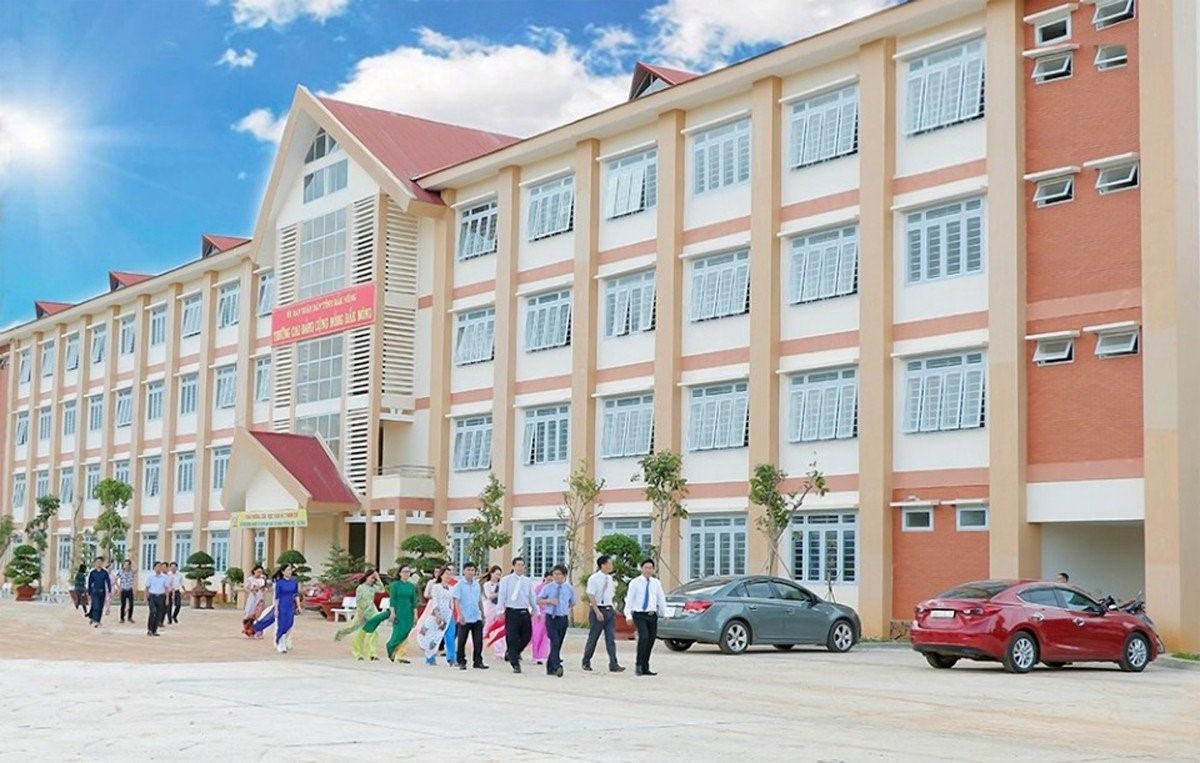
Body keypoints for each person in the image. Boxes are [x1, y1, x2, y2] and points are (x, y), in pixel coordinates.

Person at [363, 564, 419, 663]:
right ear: (400, 573)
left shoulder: (411, 586)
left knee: (405, 633)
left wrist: (415, 614)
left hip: (408, 612)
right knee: (398, 633)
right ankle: (392, 649)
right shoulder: (395, 585)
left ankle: (400, 654)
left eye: (408, 572)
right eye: (404, 571)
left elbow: (414, 601)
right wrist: (392, 612)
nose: (406, 573)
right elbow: (392, 599)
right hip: (398, 611)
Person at [624, 559, 667, 676]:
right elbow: (629, 600)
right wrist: (628, 615)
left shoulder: (656, 583)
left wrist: (665, 613)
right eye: (646, 568)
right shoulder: (635, 582)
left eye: (650, 568)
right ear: (642, 569)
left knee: (651, 640)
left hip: (652, 615)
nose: (648, 570)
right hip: (639, 614)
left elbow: (661, 599)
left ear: (653, 570)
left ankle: (645, 666)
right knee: (644, 637)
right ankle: (638, 664)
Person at [582, 555, 625, 673]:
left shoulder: (610, 579)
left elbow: (610, 595)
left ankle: (613, 663)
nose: (612, 566)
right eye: (610, 563)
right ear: (603, 565)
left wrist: (613, 608)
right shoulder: (594, 578)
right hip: (598, 609)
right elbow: (591, 595)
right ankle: (586, 661)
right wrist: (597, 611)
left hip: (609, 610)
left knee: (610, 638)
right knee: (593, 638)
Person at [496, 557, 538, 673]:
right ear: (513, 566)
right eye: (518, 565)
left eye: (522, 565)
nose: (520, 567)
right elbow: (502, 595)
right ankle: (515, 664)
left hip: (524, 611)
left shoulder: (528, 581)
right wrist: (499, 611)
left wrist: (535, 610)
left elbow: (532, 597)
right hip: (512, 611)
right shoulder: (506, 580)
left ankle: (512, 653)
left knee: (527, 636)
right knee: (512, 637)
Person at [334, 569, 385, 660]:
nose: (373, 580)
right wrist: (361, 613)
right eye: (372, 577)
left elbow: (382, 590)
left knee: (374, 631)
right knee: (360, 632)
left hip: (372, 610)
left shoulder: (373, 587)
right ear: (366, 577)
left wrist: (378, 578)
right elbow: (358, 601)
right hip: (362, 610)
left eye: (374, 578)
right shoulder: (360, 588)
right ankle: (358, 653)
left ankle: (372, 654)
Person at [253, 563, 302, 653]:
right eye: (288, 570)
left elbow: (296, 595)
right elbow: (277, 597)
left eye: (290, 570)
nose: (290, 572)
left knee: (289, 624)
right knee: (281, 625)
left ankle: (284, 641)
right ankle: (280, 644)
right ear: (283, 572)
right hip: (281, 606)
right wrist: (276, 609)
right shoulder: (279, 583)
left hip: (290, 606)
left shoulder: (294, 582)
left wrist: (298, 606)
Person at [538, 564, 576, 678]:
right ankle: (557, 666)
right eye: (554, 574)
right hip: (551, 617)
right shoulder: (548, 587)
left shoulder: (569, 588)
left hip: (562, 618)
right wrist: (549, 601)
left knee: (558, 643)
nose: (556, 576)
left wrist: (565, 608)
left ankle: (550, 667)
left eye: (559, 574)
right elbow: (538, 600)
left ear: (564, 576)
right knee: (554, 641)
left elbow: (573, 602)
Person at [452, 562, 488, 670]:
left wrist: (483, 614)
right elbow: (456, 601)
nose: (470, 572)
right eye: (468, 570)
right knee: (462, 641)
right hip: (464, 617)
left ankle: (478, 661)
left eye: (472, 570)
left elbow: (479, 601)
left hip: (476, 616)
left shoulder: (477, 585)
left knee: (478, 641)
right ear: (464, 571)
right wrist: (460, 615)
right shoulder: (459, 585)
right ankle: (461, 661)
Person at [417, 566, 456, 666]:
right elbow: (435, 602)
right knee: (434, 635)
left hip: (448, 615)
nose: (448, 576)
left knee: (450, 635)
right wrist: (437, 615)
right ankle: (430, 657)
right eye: (446, 574)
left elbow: (451, 602)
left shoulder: (451, 588)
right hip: (437, 614)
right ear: (441, 575)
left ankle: (452, 658)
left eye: (450, 574)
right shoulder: (436, 587)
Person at [530, 572, 552, 665]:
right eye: (548, 579)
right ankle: (535, 655)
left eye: (551, 580)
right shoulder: (539, 587)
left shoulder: (553, 588)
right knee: (537, 635)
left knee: (545, 636)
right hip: (539, 614)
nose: (550, 582)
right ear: (544, 578)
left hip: (549, 614)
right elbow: (535, 601)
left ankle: (543, 655)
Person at [145, 561, 171, 637]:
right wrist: (146, 598)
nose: (158, 568)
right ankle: (150, 629)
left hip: (161, 597)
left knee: (159, 614)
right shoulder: (150, 577)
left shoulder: (165, 577)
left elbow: (166, 588)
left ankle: (154, 630)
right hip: (152, 596)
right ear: (154, 568)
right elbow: (146, 588)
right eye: (157, 567)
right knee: (153, 612)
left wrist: (167, 599)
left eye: (160, 566)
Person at [242, 565, 269, 638]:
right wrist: (251, 591)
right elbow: (246, 588)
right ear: (254, 571)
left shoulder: (262, 579)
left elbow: (265, 588)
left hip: (260, 598)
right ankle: (249, 630)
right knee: (250, 614)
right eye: (258, 572)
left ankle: (259, 631)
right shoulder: (250, 579)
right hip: (252, 598)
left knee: (259, 615)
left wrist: (263, 590)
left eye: (261, 572)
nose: (259, 573)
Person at [85, 557, 111, 628]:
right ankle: (95, 621)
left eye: (100, 562)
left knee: (100, 607)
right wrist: (89, 592)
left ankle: (97, 620)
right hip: (95, 592)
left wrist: (109, 590)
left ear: (102, 563)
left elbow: (108, 581)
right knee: (96, 606)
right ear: (95, 563)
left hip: (102, 592)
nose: (99, 563)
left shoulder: (104, 572)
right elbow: (90, 583)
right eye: (97, 562)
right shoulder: (93, 572)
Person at [116, 559, 136, 624]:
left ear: (130, 565)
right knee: (123, 605)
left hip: (130, 590)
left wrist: (132, 560)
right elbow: (115, 579)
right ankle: (122, 618)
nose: (126, 566)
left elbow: (136, 568)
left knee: (131, 604)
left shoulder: (132, 571)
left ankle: (130, 617)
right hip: (123, 590)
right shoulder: (121, 571)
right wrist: (119, 587)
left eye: (127, 565)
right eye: (125, 564)